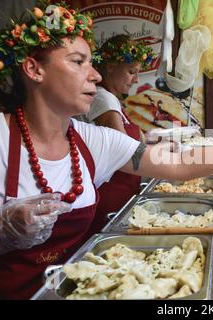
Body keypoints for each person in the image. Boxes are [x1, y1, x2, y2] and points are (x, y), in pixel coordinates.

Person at [0, 2, 213, 299]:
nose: (95, 75)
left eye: (91, 62)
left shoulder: (92, 140)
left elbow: (178, 162)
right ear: (34, 69)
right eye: (78, 62)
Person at [74, 35, 152, 235]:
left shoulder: (110, 98)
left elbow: (137, 139)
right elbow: (124, 150)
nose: (136, 79)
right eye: (131, 72)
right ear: (110, 67)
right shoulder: (103, 98)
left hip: (120, 189)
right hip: (111, 193)